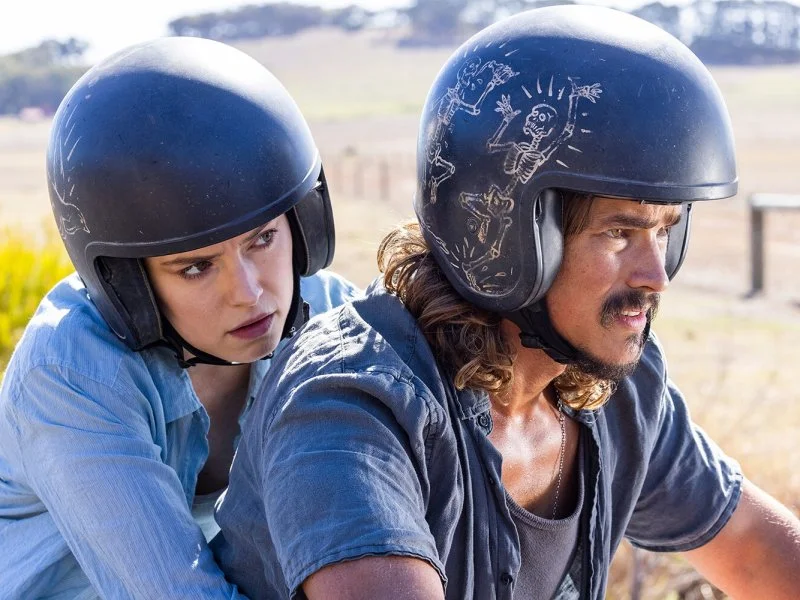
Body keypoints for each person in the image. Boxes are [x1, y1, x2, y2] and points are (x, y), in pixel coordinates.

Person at [213, 6, 800, 600]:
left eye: (665, 231)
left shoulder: (616, 389)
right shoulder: (349, 405)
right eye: (619, 233)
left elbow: (755, 550)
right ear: (506, 237)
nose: (655, 278)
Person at [0, 37, 359, 599]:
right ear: (129, 284)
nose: (248, 293)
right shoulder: (70, 374)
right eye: (195, 267)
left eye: (263, 239)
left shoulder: (334, 318)